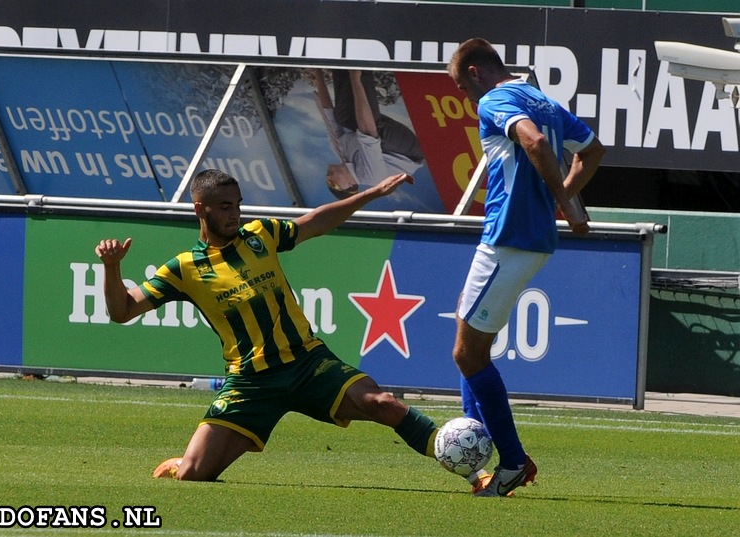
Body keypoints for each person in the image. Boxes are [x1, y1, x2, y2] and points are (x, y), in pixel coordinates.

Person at [95, 168, 438, 482]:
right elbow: (122, 311)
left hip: (307, 362)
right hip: (251, 381)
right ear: (201, 210)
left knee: (383, 403)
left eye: (238, 205)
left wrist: (374, 193)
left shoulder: (261, 235)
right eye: (225, 207)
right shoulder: (183, 269)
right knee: (192, 476)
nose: (236, 214)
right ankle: (188, 461)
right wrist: (112, 269)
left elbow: (317, 221)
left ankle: (466, 464)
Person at [447, 38, 606, 497]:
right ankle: (477, 453)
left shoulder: (496, 98)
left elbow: (532, 142)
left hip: (509, 236)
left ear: (476, 72)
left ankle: (512, 461)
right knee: (469, 325)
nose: (465, 97)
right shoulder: (544, 100)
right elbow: (593, 150)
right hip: (527, 238)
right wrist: (565, 198)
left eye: (461, 86)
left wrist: (566, 202)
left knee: (466, 353)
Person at [313, 69, 425, 198]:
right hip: (408, 152)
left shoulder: (340, 151)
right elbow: (369, 132)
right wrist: (356, 78)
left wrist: (318, 72)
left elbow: (328, 113)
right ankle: (362, 70)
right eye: (334, 184)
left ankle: (341, 67)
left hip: (380, 141)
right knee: (354, 122)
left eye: (327, 182)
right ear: (350, 184)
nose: (329, 178)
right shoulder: (371, 176)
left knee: (342, 117)